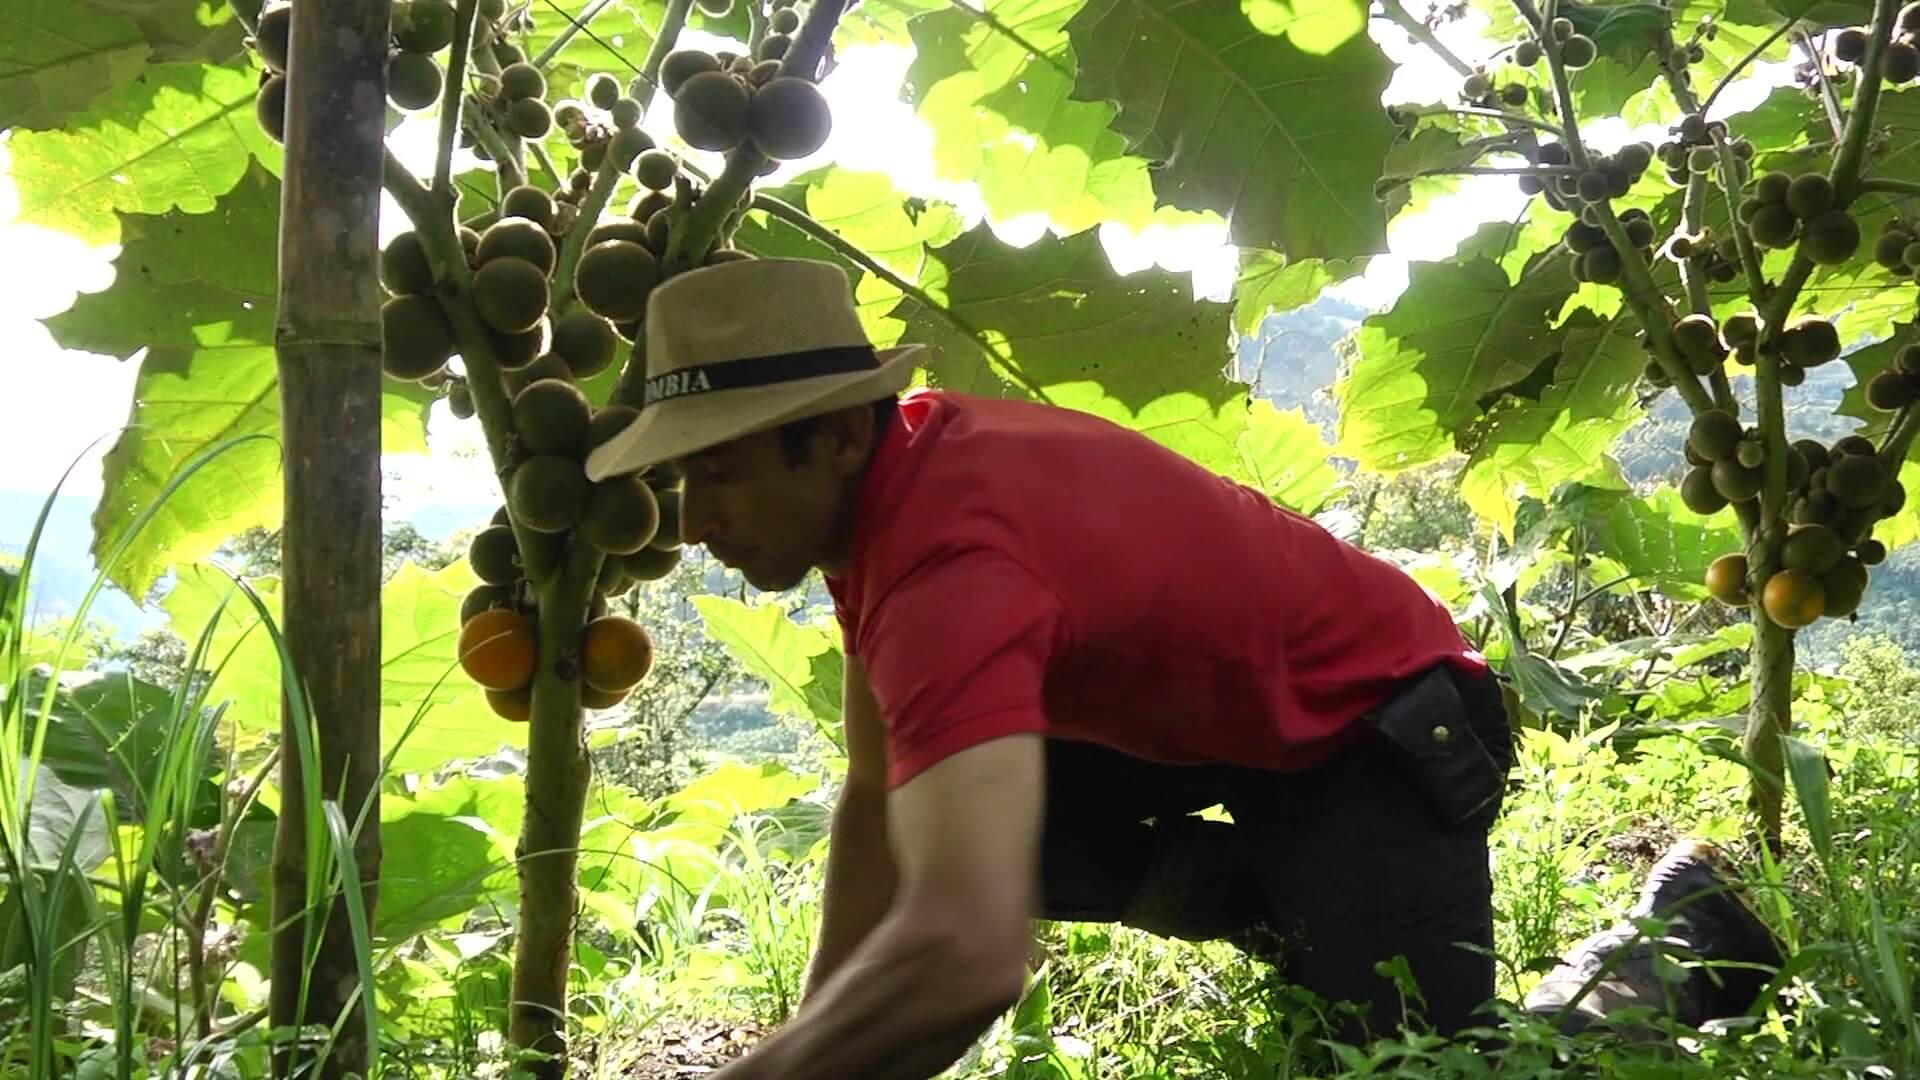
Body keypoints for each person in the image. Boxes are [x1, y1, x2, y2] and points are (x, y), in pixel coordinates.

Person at [585, 257, 1786, 1078]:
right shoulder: (880, 490)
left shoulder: (953, 560)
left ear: (837, 434)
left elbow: (967, 954)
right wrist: (818, 1036)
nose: (693, 518)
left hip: (1379, 726)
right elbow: (872, 795)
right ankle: (1296, 911)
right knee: (937, 805)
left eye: (720, 473)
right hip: (1223, 724)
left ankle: (1689, 933)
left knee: (1436, 1068)